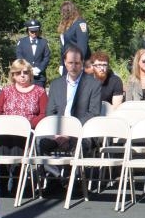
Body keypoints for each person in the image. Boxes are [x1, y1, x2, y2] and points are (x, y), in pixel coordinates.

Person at [38, 46, 101, 176]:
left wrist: (70, 131)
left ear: (82, 63)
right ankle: (56, 178)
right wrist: (57, 133)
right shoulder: (56, 84)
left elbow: (94, 113)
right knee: (41, 143)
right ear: (65, 63)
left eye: (77, 63)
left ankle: (74, 182)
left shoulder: (93, 84)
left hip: (81, 132)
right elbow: (50, 112)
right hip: (58, 132)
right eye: (70, 63)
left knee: (80, 145)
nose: (73, 66)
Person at [0, 58, 48, 190]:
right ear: (13, 75)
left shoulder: (40, 92)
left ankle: (17, 181)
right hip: (7, 130)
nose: (22, 75)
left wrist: (27, 125)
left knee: (18, 142)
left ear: (30, 74)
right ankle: (2, 182)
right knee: (3, 141)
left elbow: (44, 114)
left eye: (25, 72)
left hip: (27, 131)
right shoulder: (6, 91)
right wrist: (8, 125)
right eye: (18, 73)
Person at [16, 19, 51, 87]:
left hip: (39, 77)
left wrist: (39, 69)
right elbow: (19, 57)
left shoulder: (44, 42)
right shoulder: (22, 42)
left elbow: (46, 57)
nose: (34, 33)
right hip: (25, 75)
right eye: (32, 31)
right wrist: (28, 69)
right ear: (28, 31)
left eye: (36, 31)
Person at [58, 1, 90, 72]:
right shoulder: (66, 25)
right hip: (67, 63)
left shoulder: (80, 24)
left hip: (77, 64)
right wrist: (62, 63)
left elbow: (82, 47)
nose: (63, 14)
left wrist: (78, 63)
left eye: (65, 11)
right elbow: (64, 47)